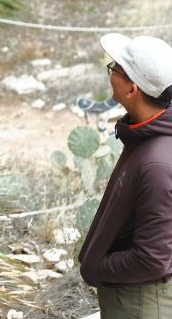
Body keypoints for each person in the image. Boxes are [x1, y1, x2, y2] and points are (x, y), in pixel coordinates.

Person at [79, 33, 172, 317]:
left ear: (132, 90)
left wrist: (97, 266)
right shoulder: (147, 132)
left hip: (140, 303)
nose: (111, 74)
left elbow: (153, 260)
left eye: (115, 68)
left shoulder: (157, 164)